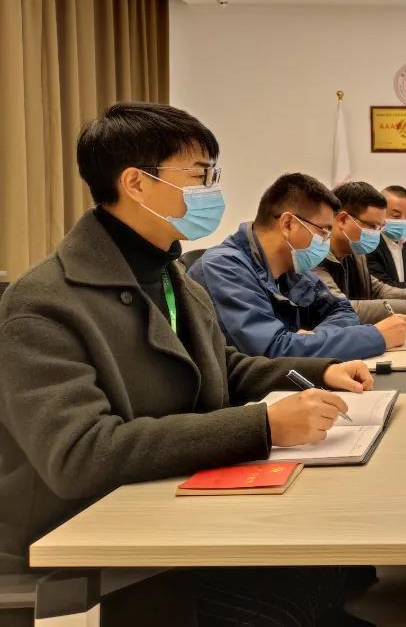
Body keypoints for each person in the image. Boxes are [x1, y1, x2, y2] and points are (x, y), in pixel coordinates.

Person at [0, 103, 377, 627]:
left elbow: (224, 368)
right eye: (200, 175)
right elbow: (81, 454)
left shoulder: (173, 275)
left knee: (328, 566)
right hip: (96, 542)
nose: (211, 190)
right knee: (292, 590)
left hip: (179, 506)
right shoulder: (44, 303)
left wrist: (320, 372)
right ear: (136, 183)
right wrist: (263, 426)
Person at [189, 173, 406, 359]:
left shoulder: (292, 267)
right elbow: (272, 351)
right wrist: (374, 337)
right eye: (323, 231)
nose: (327, 241)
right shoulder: (224, 268)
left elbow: (340, 309)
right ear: (288, 224)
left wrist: (314, 339)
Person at [314, 181, 406, 323]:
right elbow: (339, 308)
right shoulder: (314, 257)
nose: (376, 234)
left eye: (380, 228)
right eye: (372, 226)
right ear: (343, 220)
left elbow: (377, 289)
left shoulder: (355, 253)